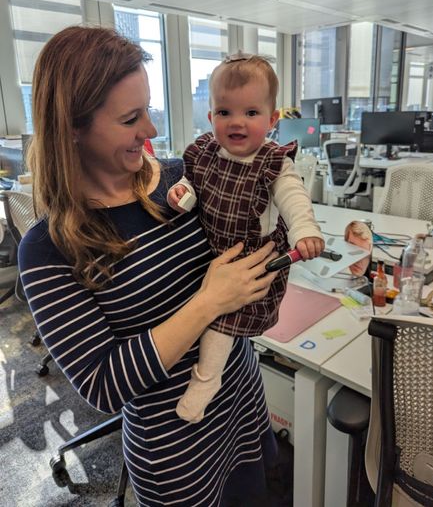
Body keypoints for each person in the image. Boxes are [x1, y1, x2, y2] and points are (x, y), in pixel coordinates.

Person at [18, 26, 283, 507]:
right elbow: (102, 384)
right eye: (130, 118)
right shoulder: (49, 248)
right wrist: (208, 302)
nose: (152, 131)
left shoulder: (182, 180)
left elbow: (252, 217)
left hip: (240, 402)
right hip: (176, 448)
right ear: (73, 127)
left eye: (149, 110)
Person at [167, 53, 324, 423]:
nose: (236, 123)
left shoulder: (275, 163)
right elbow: (191, 183)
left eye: (251, 113)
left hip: (250, 264)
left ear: (271, 121)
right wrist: (182, 193)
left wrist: (305, 231)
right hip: (210, 254)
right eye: (225, 113)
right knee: (195, 311)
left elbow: (294, 200)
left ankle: (206, 381)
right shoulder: (202, 152)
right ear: (211, 118)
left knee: (221, 325)